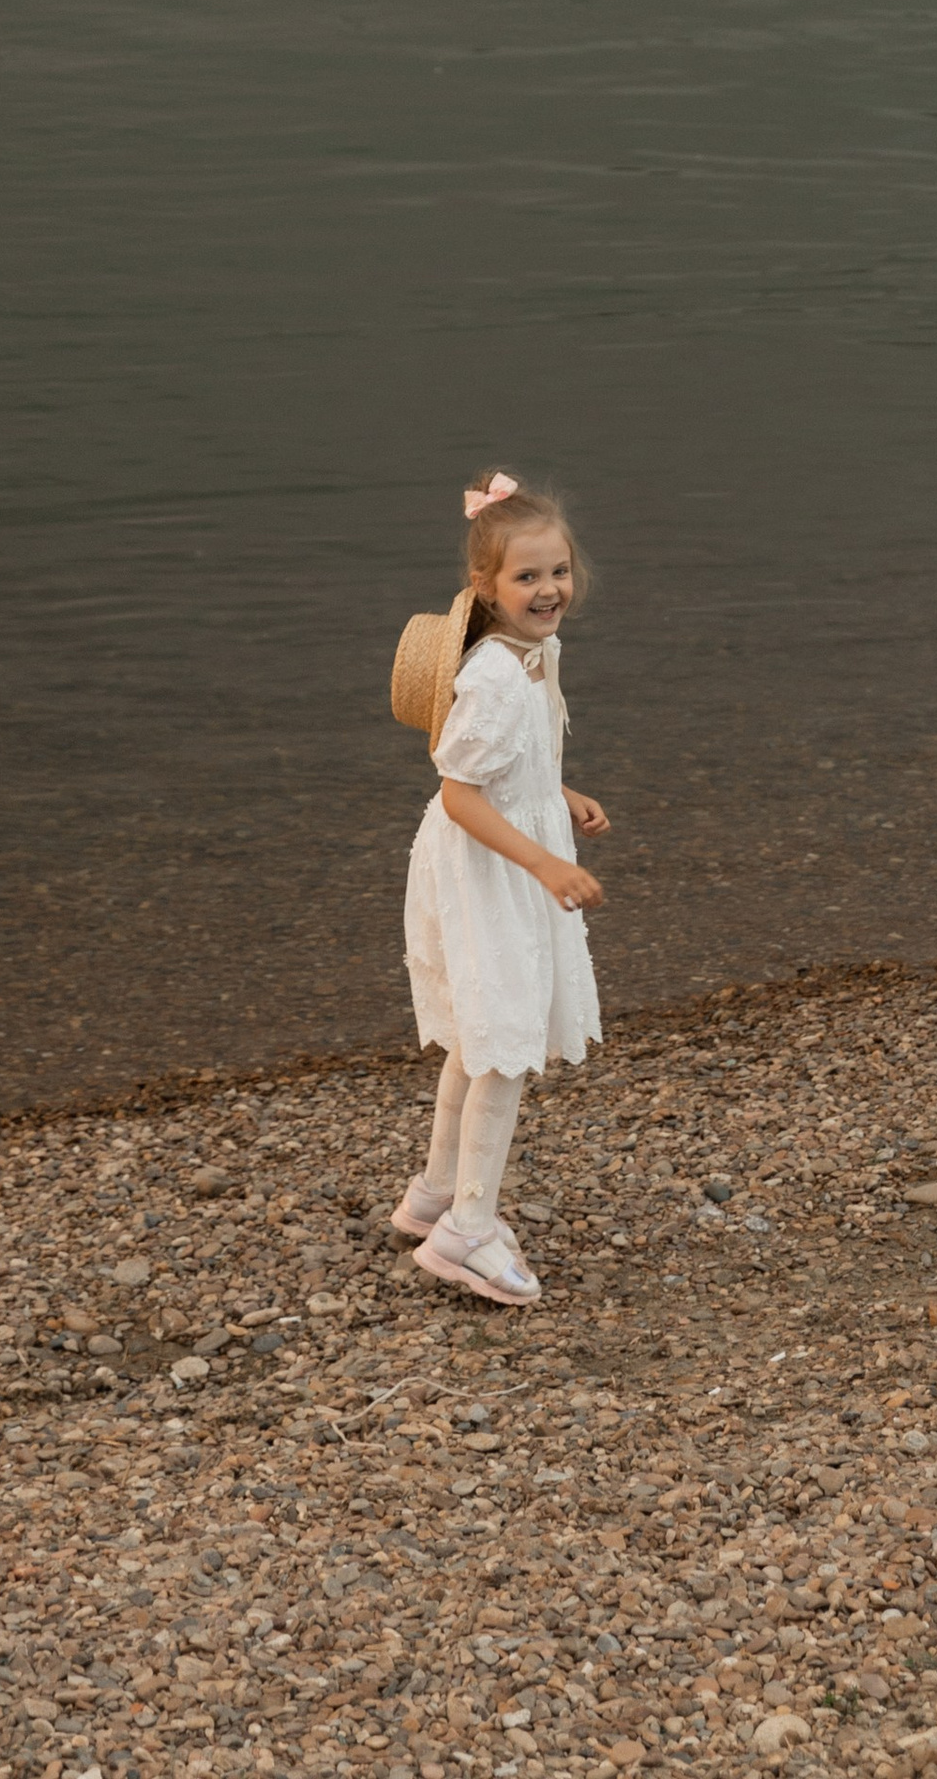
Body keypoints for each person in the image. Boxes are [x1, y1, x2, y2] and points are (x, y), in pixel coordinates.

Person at [389, 469, 608, 1306]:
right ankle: (467, 1231)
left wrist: (560, 792)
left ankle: (435, 1195)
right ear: (486, 586)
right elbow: (460, 793)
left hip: (509, 846)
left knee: (479, 1037)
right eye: (527, 576)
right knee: (507, 1044)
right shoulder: (489, 678)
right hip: (489, 865)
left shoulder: (536, 653)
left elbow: (514, 766)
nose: (549, 588)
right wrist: (546, 863)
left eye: (559, 570)